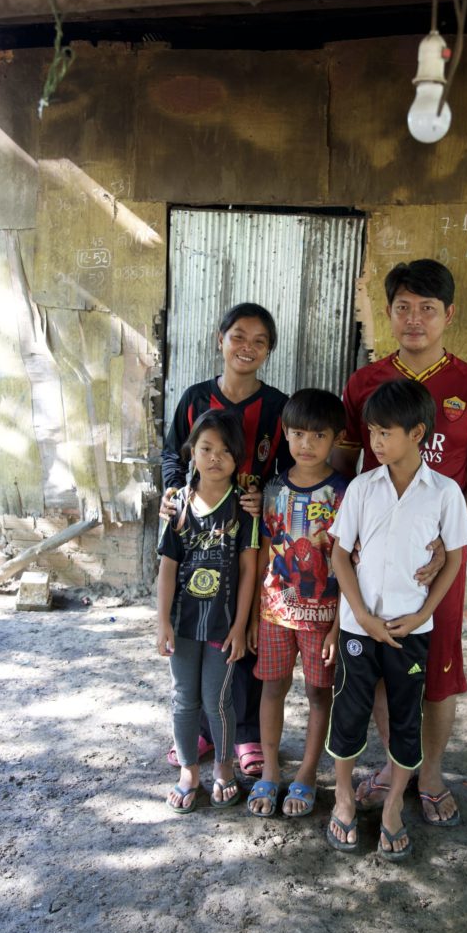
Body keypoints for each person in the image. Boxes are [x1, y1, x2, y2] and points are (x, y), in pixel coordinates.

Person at [332, 259, 467, 825]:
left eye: (427, 309)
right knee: (383, 657)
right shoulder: (364, 384)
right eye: (403, 307)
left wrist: (444, 547)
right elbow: (343, 465)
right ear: (389, 312)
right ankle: (393, 766)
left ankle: (428, 775)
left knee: (436, 671)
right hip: (376, 554)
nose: (414, 320)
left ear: (448, 315)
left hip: (437, 565)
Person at [326, 379, 467, 859]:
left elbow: (454, 559)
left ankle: (393, 806)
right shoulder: (362, 488)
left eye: (385, 433)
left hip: (412, 630)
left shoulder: (444, 493)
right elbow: (339, 556)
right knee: (348, 715)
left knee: (406, 720)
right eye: (371, 432)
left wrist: (421, 616)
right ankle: (344, 798)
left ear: (418, 433)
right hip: (358, 628)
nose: (375, 442)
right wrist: (363, 616)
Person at [161, 302, 292, 778]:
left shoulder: (278, 407)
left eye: (259, 341)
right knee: (198, 621)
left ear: (269, 351)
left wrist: (269, 498)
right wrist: (174, 492)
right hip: (198, 533)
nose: (247, 347)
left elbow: (287, 468)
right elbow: (171, 454)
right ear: (220, 339)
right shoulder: (195, 399)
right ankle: (198, 731)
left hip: (251, 534)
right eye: (239, 336)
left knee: (247, 627)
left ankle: (248, 734)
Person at [246, 389, 348, 818]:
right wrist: (253, 615)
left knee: (319, 694)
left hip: (323, 618)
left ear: (337, 439)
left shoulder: (346, 493)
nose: (306, 444)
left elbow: (349, 563)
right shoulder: (273, 490)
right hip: (275, 613)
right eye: (298, 434)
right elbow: (264, 553)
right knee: (272, 688)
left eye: (318, 436)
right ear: (286, 434)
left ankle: (306, 773)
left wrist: (340, 625)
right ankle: (270, 770)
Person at [157, 409, 259, 813]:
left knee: (217, 699)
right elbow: (167, 567)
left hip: (221, 624)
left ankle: (223, 767)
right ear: (192, 454)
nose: (215, 457)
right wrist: (161, 620)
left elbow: (250, 569)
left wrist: (241, 625)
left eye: (225, 451)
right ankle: (187, 771)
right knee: (184, 698)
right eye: (206, 448)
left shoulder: (244, 509)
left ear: (238, 458)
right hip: (182, 625)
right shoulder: (177, 505)